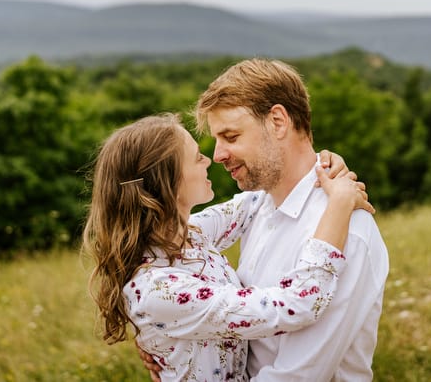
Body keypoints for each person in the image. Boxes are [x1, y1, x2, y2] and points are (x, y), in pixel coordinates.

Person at [142, 58, 390, 380]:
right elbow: (157, 244)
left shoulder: (348, 232)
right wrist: (155, 334)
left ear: (277, 121)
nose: (217, 155)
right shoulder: (258, 206)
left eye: (231, 137)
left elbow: (296, 376)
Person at [83, 113, 373, 381]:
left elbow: (253, 201)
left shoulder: (187, 235)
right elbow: (297, 305)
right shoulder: (160, 290)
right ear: (168, 182)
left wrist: (324, 163)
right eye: (196, 158)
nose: (210, 160)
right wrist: (339, 204)